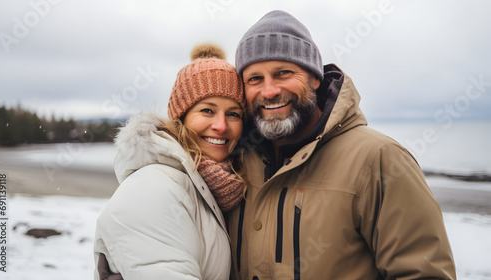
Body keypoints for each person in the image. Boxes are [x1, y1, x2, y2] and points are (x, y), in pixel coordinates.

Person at [227, 10, 456, 279]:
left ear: (314, 77)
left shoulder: (379, 158)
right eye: (255, 78)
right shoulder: (234, 159)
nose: (269, 91)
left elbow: (423, 273)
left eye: (283, 73)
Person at [93, 43, 246, 280]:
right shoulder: (154, 187)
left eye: (234, 113)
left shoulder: (213, 188)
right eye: (207, 110)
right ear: (181, 117)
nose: (222, 125)